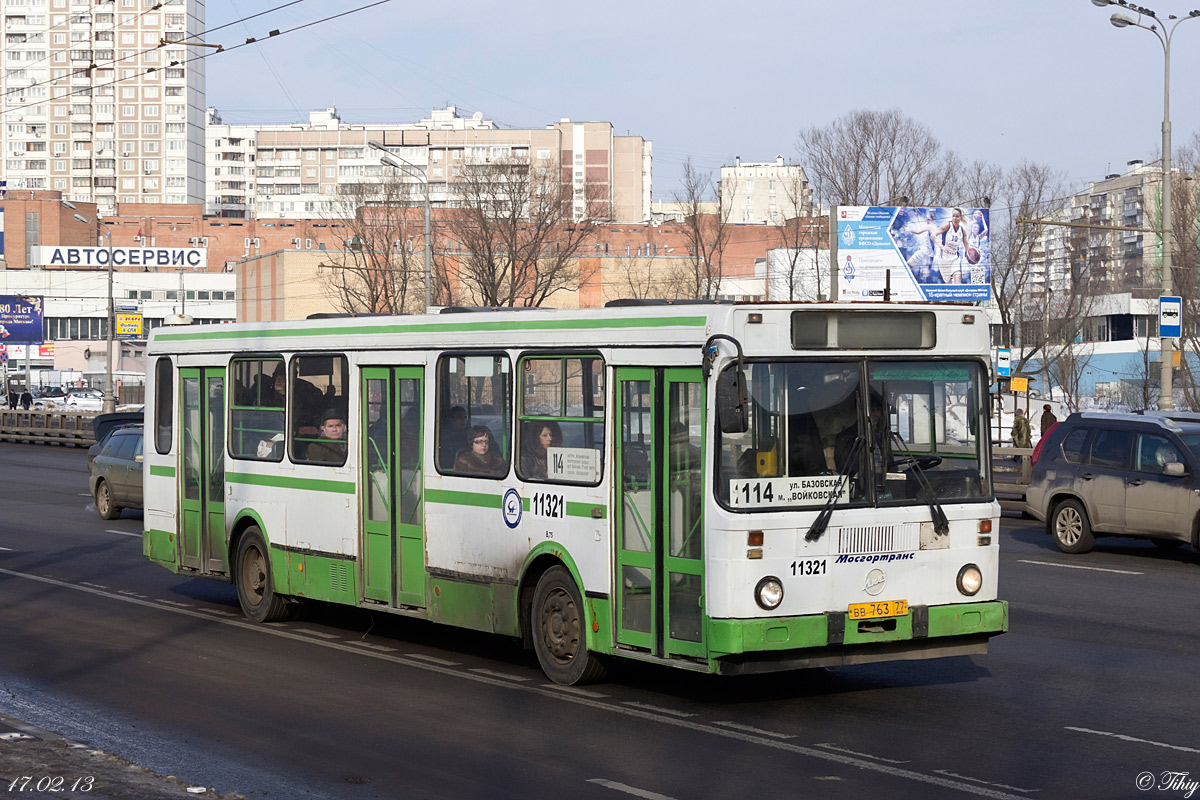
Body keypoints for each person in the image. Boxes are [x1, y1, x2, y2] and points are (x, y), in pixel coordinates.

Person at [933, 207, 970, 284]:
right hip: (944, 258)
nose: (954, 218)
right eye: (953, 216)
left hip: (955, 258)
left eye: (957, 216)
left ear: (960, 218)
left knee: (958, 276)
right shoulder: (947, 225)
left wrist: (969, 253)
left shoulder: (962, 230)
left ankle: (959, 295)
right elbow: (933, 235)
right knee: (948, 283)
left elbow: (966, 244)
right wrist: (942, 247)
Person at [439, 405, 469, 469]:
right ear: (451, 419)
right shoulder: (444, 435)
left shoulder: (469, 433)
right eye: (460, 417)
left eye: (465, 417)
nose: (463, 420)